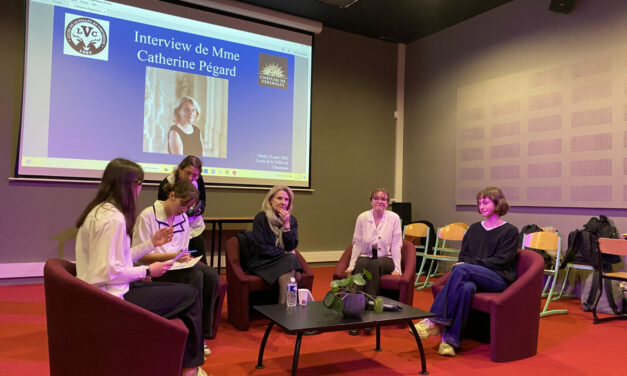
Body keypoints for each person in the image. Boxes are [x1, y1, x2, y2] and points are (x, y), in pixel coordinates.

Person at [75, 158, 206, 376]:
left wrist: (152, 243)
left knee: (187, 291)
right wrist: (147, 271)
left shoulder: (99, 211)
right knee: (190, 295)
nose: (140, 190)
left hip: (104, 291)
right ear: (128, 185)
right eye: (139, 184)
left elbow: (119, 259)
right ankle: (190, 369)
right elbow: (108, 271)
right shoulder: (114, 220)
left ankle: (174, 360)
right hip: (111, 298)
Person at [411, 186, 519, 357]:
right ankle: (450, 341)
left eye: (486, 202)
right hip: (472, 276)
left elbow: (501, 261)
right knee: (465, 288)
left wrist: (472, 264)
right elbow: (463, 256)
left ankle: (433, 320)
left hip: (498, 278)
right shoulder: (474, 229)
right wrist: (470, 265)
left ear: (498, 203)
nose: (481, 206)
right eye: (479, 203)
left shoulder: (510, 231)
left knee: (462, 269)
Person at [135, 179, 220, 350]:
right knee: (195, 276)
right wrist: (175, 256)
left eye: (187, 207)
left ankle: (202, 333)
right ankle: (193, 336)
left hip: (177, 265)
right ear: (172, 195)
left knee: (211, 275)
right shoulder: (148, 216)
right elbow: (142, 257)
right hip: (157, 268)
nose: (183, 210)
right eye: (182, 205)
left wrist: (184, 257)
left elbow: (182, 249)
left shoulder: (182, 217)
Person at [345, 188, 402, 335]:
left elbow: (396, 244)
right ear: (371, 201)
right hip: (367, 256)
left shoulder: (394, 218)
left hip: (386, 259)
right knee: (362, 264)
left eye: (383, 199)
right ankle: (354, 314)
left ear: (388, 203)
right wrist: (352, 265)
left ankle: (369, 316)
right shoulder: (362, 217)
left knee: (374, 264)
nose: (380, 201)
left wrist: (397, 268)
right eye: (376, 198)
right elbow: (356, 243)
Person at [248, 185, 302, 304]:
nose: (283, 202)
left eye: (286, 199)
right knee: (291, 262)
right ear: (270, 200)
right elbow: (261, 248)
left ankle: (284, 307)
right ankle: (287, 308)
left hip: (283, 260)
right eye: (279, 198)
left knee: (290, 264)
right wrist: (284, 254)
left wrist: (287, 226)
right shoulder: (261, 218)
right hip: (262, 261)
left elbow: (291, 246)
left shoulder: (291, 220)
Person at [159, 155, 207, 264]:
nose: (190, 178)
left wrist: (200, 209)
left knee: (201, 263)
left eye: (194, 175)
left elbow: (203, 200)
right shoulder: (166, 183)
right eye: (187, 173)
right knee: (178, 262)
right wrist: (183, 212)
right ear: (180, 169)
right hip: (174, 230)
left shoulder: (199, 180)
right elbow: (162, 208)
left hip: (194, 227)